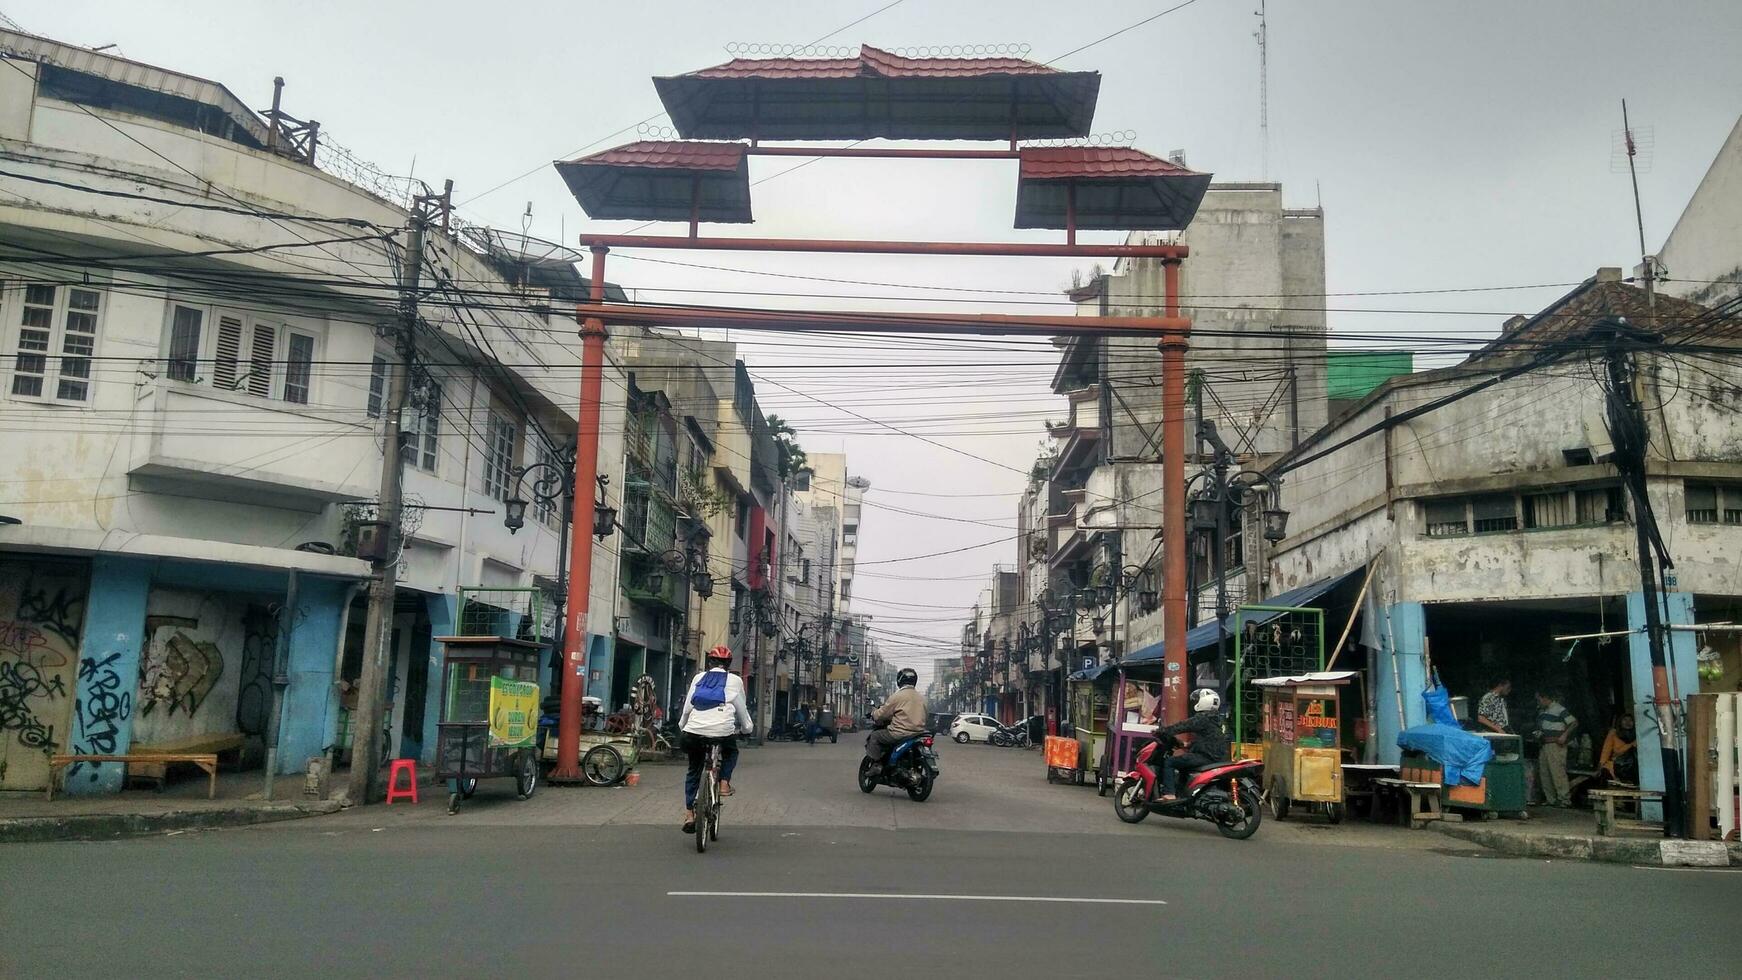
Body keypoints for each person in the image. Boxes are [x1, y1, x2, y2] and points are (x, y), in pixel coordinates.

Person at [679, 645, 752, 833]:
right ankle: (724, 783)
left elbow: (687, 708)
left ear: (709, 662)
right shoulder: (735, 681)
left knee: (694, 768)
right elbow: (742, 710)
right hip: (722, 732)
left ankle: (689, 814)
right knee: (731, 752)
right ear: (728, 664)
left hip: (693, 731)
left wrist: (682, 727)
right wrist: (747, 729)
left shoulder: (698, 678)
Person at [1156, 689, 1231, 801]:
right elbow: (1211, 740)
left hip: (1206, 757)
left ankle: (1169, 793)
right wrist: (1188, 745)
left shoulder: (1203, 718)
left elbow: (1183, 725)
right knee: (1184, 766)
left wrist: (1164, 730)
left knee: (1170, 762)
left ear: (1204, 701)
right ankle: (1183, 793)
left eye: (1197, 700)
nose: (1194, 703)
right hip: (1220, 758)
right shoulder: (1220, 721)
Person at [865, 668, 927, 762]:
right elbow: (926, 716)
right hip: (918, 734)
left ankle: (876, 764)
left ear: (899, 681)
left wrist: (874, 714)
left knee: (875, 736)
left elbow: (881, 714)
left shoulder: (897, 696)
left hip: (899, 734)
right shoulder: (923, 698)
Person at [1534, 688, 1578, 807]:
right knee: (1545, 772)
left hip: (1556, 744)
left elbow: (1573, 722)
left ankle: (1564, 799)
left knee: (1557, 771)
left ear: (1545, 698)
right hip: (1544, 744)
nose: (1537, 702)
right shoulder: (1542, 712)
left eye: (1539, 699)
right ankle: (1551, 799)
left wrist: (1564, 735)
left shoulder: (1559, 709)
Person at [1598, 711, 1638, 785]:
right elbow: (1606, 751)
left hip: (1632, 768)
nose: (1628, 722)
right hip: (1617, 766)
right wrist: (1600, 766)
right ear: (1620, 722)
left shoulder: (1637, 735)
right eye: (1625, 720)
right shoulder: (1614, 733)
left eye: (1630, 720)